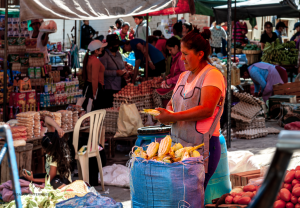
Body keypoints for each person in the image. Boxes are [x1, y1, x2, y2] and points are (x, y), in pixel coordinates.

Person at [155, 27, 226, 190]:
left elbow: (206, 110)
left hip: (203, 147)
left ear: (200, 54)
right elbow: (173, 103)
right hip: (178, 146)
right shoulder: (183, 76)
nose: (182, 58)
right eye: (181, 53)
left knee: (193, 197)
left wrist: (174, 116)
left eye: (186, 54)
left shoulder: (212, 75)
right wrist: (168, 111)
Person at [21, 116, 72, 189]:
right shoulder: (53, 140)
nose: (44, 151)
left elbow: (50, 179)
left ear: (51, 149)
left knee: (53, 183)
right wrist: (57, 128)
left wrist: (32, 179)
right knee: (22, 179)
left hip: (61, 179)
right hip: (50, 176)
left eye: (46, 150)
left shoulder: (54, 157)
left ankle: (66, 187)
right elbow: (46, 119)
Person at [153, 37, 186, 108]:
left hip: (180, 88)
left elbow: (183, 74)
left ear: (176, 47)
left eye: (170, 50)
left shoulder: (180, 58)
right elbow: (176, 72)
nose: (169, 52)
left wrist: (169, 80)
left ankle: (160, 115)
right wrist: (170, 76)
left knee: (156, 93)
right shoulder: (176, 57)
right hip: (176, 85)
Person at [100, 34, 127, 108]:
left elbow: (122, 66)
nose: (117, 46)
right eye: (115, 44)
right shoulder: (104, 55)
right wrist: (116, 73)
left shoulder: (118, 54)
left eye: (117, 44)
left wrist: (124, 72)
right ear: (110, 45)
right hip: (109, 87)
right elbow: (102, 72)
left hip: (120, 86)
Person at [82, 40, 107, 111]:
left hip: (89, 86)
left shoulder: (89, 58)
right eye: (101, 48)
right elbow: (94, 78)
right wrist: (94, 94)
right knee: (94, 110)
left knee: (88, 110)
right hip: (95, 88)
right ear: (96, 51)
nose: (102, 49)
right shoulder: (95, 60)